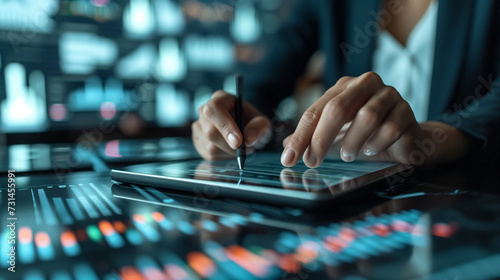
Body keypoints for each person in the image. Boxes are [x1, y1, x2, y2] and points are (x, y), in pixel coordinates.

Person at [192, 0, 500, 168]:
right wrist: (236, 121)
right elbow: (266, 83)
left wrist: (438, 138)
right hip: (354, 210)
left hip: (469, 207)